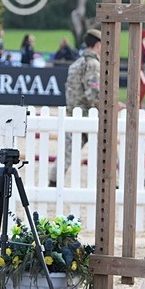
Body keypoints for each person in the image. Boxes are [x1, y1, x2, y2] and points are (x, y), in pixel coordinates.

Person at [50, 28, 102, 187]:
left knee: (67, 153)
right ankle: (117, 182)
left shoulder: (76, 63)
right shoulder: (93, 64)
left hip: (73, 113)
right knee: (109, 149)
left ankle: (53, 181)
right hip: (88, 115)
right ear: (98, 45)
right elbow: (92, 93)